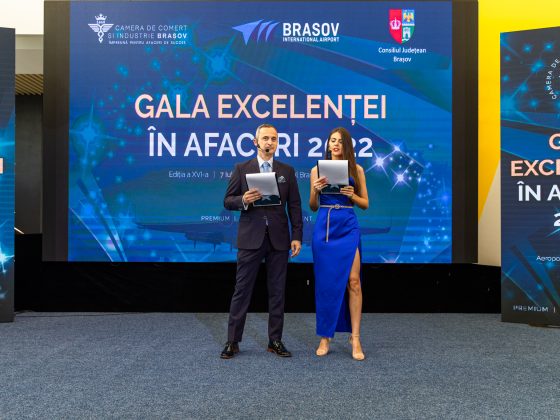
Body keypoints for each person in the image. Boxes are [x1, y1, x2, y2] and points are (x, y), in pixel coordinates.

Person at [221, 123, 303, 359]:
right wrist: (243, 200)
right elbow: (227, 201)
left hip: (279, 239)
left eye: (274, 139)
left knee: (277, 291)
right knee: (242, 290)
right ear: (256, 142)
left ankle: (275, 340)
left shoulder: (287, 171)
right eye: (265, 138)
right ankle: (232, 341)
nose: (270, 142)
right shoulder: (241, 168)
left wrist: (297, 236)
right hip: (250, 238)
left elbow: (295, 206)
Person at [309, 127, 369, 361]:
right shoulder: (316, 170)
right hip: (325, 226)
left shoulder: (357, 170)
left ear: (347, 146)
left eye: (340, 141)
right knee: (326, 283)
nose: (335, 144)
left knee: (354, 281)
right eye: (332, 140)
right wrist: (315, 192)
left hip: (348, 225)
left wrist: (352, 195)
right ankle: (325, 336)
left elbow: (365, 204)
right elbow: (313, 206)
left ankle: (356, 337)